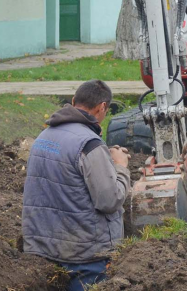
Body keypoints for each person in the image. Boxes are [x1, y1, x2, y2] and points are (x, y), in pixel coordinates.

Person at [22, 80, 131, 291]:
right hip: (85, 257)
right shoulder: (90, 145)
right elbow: (109, 201)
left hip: (43, 250)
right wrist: (120, 166)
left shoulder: (43, 137)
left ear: (73, 101)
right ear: (102, 107)